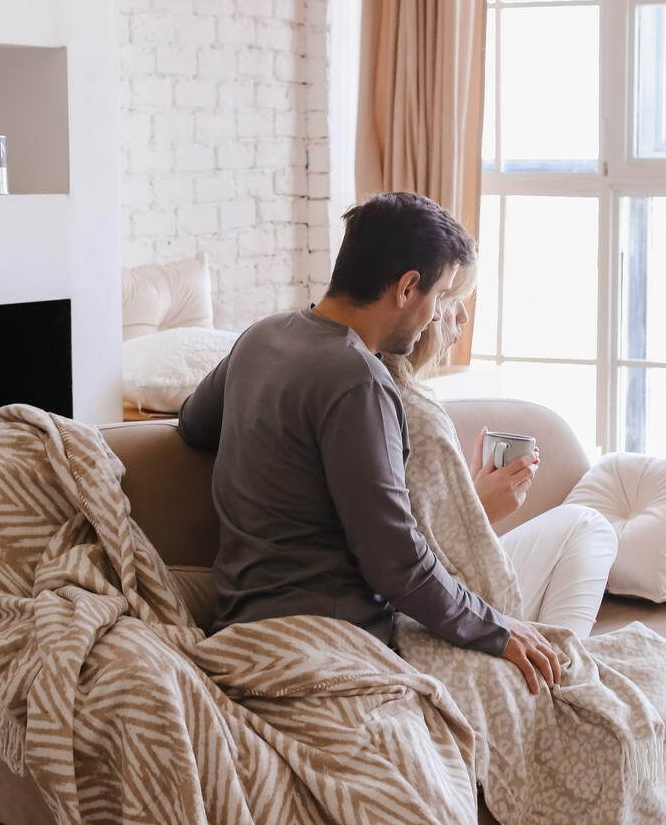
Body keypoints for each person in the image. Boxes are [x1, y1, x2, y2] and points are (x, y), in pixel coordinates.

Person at [178, 192, 560, 694]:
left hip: (241, 617)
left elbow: (193, 424)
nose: (437, 316)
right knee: (561, 682)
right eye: (440, 296)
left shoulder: (262, 337)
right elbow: (397, 564)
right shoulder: (358, 379)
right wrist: (496, 630)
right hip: (331, 640)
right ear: (407, 288)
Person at [384, 263, 617, 641]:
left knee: (585, 521)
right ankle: (565, 659)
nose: (462, 318)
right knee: (588, 524)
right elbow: (413, 567)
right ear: (412, 299)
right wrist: (479, 511)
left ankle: (560, 653)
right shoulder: (415, 414)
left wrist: (472, 504)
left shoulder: (385, 393)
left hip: (435, 596)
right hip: (430, 613)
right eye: (450, 299)